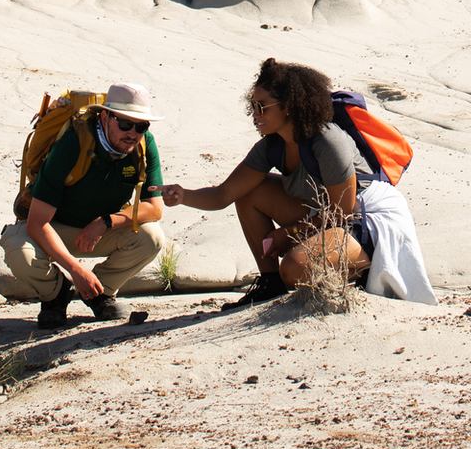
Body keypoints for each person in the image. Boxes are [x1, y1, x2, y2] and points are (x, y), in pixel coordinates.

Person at [162, 58, 436, 307]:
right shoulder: (271, 146)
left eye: (262, 107)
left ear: (290, 106)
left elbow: (343, 211)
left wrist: (289, 233)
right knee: (250, 192)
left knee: (295, 267)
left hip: (368, 217)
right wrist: (183, 195)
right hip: (326, 214)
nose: (254, 114)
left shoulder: (328, 140)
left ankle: (359, 272)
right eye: (252, 106)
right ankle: (270, 284)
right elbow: (223, 195)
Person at [0, 83, 166, 327]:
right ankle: (56, 295)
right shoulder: (73, 142)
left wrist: (106, 222)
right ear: (105, 116)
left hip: (101, 232)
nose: (133, 132)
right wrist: (76, 270)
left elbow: (154, 208)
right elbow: (37, 223)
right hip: (55, 228)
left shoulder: (143, 144)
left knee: (151, 238)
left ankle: (99, 293)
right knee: (18, 249)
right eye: (125, 124)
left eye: (141, 126)